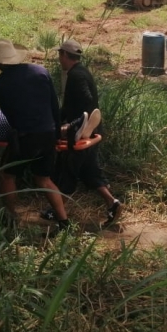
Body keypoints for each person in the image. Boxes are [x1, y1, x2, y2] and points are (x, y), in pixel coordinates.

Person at [0, 39, 70, 233]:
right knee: (44, 179)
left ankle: (11, 217)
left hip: (25, 136)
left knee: (7, 175)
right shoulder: (40, 71)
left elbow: (10, 115)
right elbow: (53, 105)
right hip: (48, 132)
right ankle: (64, 221)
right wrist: (56, 133)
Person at [50, 39, 123, 229]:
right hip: (90, 130)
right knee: (89, 171)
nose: (59, 58)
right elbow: (69, 106)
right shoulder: (79, 71)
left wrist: (73, 125)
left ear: (65, 55)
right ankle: (112, 203)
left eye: (60, 55)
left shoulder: (76, 75)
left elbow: (87, 102)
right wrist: (57, 120)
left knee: (68, 171)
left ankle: (56, 211)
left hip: (83, 132)